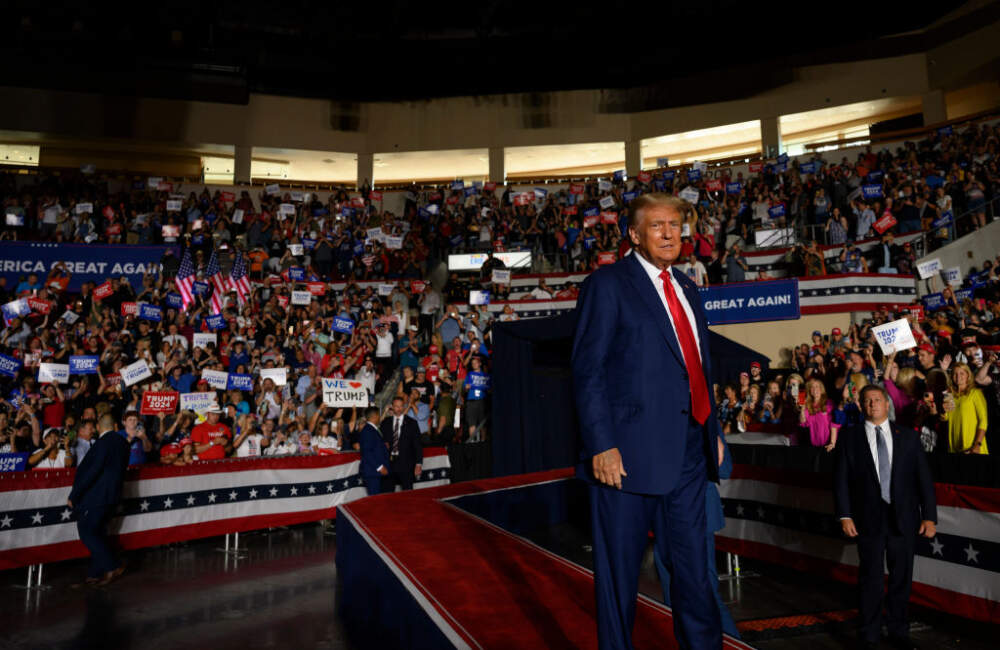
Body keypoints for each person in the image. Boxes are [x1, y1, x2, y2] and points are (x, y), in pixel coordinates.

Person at [572, 193, 724, 650]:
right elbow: (588, 369)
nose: (669, 233)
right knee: (620, 584)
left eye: (675, 224)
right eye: (657, 226)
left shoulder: (689, 288)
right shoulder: (608, 284)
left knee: (696, 576)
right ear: (634, 235)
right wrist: (601, 444)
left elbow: (696, 368)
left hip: (689, 456)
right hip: (626, 461)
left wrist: (710, 431)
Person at [834, 385, 937, 649]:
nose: (873, 404)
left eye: (877, 399)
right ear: (861, 405)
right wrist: (844, 515)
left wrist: (930, 516)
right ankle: (869, 634)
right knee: (871, 578)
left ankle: (898, 631)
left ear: (887, 404)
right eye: (867, 401)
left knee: (902, 577)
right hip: (868, 518)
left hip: (904, 518)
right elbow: (841, 480)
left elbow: (923, 479)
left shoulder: (909, 437)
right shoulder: (850, 437)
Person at [67, 413, 131, 587]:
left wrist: (74, 494)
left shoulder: (102, 443)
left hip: (96, 496)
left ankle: (113, 565)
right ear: (115, 426)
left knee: (87, 532)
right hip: (113, 495)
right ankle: (95, 574)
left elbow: (92, 471)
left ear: (98, 427)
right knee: (99, 534)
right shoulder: (124, 443)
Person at [378, 396, 423, 491]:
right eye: (396, 406)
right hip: (389, 463)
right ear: (392, 407)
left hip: (406, 463)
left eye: (401, 406)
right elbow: (380, 441)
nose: (398, 409)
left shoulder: (412, 423)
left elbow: (417, 444)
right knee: (387, 493)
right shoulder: (386, 422)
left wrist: (419, 464)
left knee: (407, 492)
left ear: (404, 406)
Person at [359, 406, 390, 495]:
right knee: (374, 499)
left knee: (377, 498)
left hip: (375, 472)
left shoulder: (372, 429)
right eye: (379, 415)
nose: (380, 417)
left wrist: (383, 446)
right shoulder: (368, 430)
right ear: (375, 416)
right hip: (373, 471)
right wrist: (379, 467)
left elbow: (373, 446)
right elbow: (367, 452)